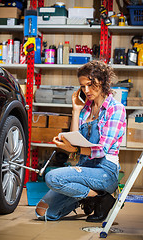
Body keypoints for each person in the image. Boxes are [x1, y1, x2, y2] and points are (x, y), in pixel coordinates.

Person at [35, 60, 126, 222]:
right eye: (82, 86)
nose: (86, 90)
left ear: (103, 81)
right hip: (84, 169)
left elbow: (102, 150)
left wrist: (75, 150)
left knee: (52, 177)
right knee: (42, 212)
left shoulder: (115, 108)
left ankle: (98, 198)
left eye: (90, 85)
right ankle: (92, 197)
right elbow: (74, 137)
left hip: (104, 171)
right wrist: (75, 110)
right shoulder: (86, 109)